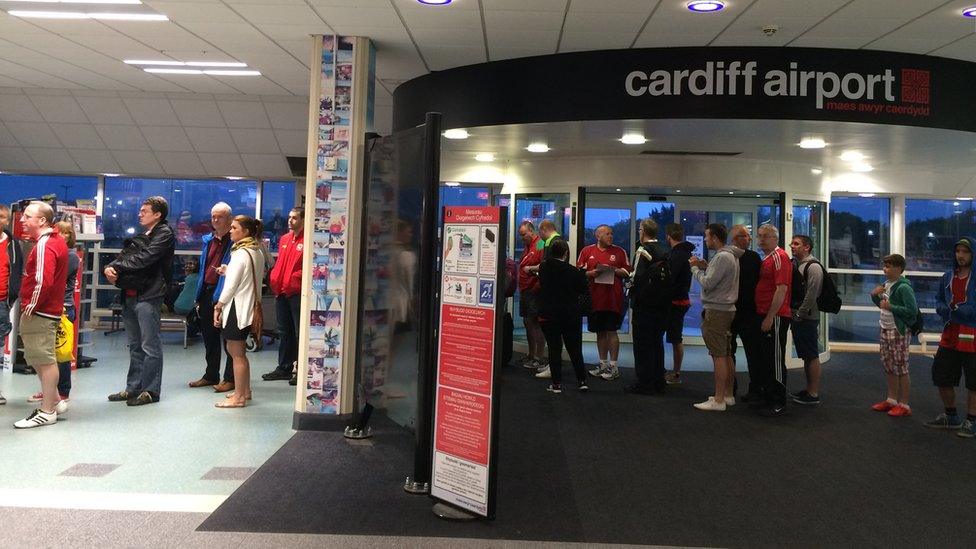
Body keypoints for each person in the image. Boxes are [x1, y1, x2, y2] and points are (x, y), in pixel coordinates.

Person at [104, 196, 175, 406]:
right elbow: (125, 255)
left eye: (144, 211)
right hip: (131, 294)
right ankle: (133, 388)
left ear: (158, 214)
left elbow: (147, 257)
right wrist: (109, 267)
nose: (139, 214)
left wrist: (118, 267)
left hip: (149, 295)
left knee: (149, 345)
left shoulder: (164, 234)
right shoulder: (142, 235)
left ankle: (151, 391)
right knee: (135, 345)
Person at [14, 202, 68, 428]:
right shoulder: (53, 241)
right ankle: (54, 400)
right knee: (37, 357)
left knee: (44, 361)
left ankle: (47, 411)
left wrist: (31, 306)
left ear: (42, 221)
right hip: (44, 310)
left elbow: (42, 281)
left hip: (41, 312)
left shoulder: (45, 245)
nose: (22, 220)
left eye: (27, 217)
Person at [925, 237, 976, 437]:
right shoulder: (947, 277)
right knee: (941, 375)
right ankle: (951, 415)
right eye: (958, 251)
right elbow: (939, 300)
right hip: (950, 333)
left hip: (971, 334)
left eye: (965, 251)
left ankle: (971, 421)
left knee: (973, 380)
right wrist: (943, 309)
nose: (961, 255)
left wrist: (958, 310)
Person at [214, 216, 265, 408]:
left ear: (245, 232)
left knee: (236, 352)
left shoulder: (240, 253)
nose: (230, 231)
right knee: (240, 352)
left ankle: (239, 397)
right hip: (250, 304)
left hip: (237, 307)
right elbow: (246, 276)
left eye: (234, 228)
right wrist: (229, 270)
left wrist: (218, 306)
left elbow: (230, 287)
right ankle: (245, 391)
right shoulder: (256, 251)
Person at [690, 223, 741, 411]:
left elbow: (708, 282)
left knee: (718, 354)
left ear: (714, 237)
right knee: (726, 353)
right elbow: (717, 277)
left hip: (717, 310)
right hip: (726, 309)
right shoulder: (731, 256)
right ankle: (727, 395)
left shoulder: (722, 257)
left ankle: (718, 400)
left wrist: (695, 270)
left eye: (706, 236)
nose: (704, 239)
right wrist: (705, 266)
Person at [28, 221, 78, 405]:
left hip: (65, 307)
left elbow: (54, 278)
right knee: (48, 353)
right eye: (59, 231)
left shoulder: (71, 255)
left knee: (61, 352)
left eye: (66, 232)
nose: (62, 235)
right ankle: (51, 391)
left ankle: (63, 391)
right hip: (52, 307)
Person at [188, 202, 235, 392]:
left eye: (220, 216)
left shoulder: (236, 241)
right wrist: (198, 296)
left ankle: (230, 378)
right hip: (207, 291)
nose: (215, 220)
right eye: (213, 216)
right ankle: (211, 374)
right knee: (209, 336)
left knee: (229, 339)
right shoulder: (208, 240)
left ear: (230, 219)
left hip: (226, 293)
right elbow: (203, 269)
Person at [577, 224, 631, 380]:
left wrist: (613, 270)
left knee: (612, 332)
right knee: (599, 332)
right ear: (598, 236)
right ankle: (603, 364)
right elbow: (580, 271)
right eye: (607, 234)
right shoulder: (587, 251)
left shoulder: (619, 251)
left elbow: (628, 272)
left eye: (612, 233)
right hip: (595, 299)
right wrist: (591, 273)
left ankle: (614, 366)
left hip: (613, 299)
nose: (611, 236)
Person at [537, 238, 589, 393]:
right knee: (574, 349)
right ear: (566, 253)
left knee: (554, 348)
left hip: (549, 314)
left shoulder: (544, 267)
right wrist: (583, 273)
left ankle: (556, 384)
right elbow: (582, 289)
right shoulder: (574, 272)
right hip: (570, 314)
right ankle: (582, 380)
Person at [626, 218, 670, 395]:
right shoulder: (665, 250)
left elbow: (635, 277)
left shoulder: (643, 250)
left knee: (642, 345)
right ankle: (659, 380)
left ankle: (644, 383)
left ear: (643, 231)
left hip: (644, 305)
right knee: (657, 343)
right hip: (661, 304)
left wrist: (629, 289)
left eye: (639, 229)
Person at [870, 254, 917, 417]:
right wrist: (874, 295)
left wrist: (892, 307)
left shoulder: (904, 287)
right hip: (885, 327)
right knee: (889, 365)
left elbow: (912, 312)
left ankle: (904, 403)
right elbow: (882, 306)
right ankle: (891, 399)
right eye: (884, 265)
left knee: (901, 367)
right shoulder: (887, 284)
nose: (885, 269)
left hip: (898, 330)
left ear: (899, 268)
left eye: (889, 266)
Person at [753, 224, 792, 417]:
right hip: (764, 314)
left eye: (765, 236)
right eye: (759, 236)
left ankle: (778, 399)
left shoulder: (780, 257)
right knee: (766, 358)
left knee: (775, 359)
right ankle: (768, 395)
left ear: (775, 238)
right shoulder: (767, 258)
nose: (761, 240)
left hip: (775, 316)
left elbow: (782, 288)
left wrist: (770, 317)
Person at [263, 207, 304, 382]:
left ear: (303, 220)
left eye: (294, 218)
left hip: (296, 292)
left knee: (299, 332)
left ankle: (300, 370)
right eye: (289, 217)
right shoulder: (285, 239)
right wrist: (274, 278)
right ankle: (285, 367)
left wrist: (295, 280)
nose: (290, 221)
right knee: (284, 331)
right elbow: (281, 262)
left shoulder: (309, 240)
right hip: (281, 291)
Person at [729, 224, 763, 403]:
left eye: (749, 236)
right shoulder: (727, 257)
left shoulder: (754, 257)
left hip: (749, 312)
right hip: (732, 311)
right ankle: (729, 388)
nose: (748, 239)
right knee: (729, 352)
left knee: (753, 353)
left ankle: (755, 389)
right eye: (744, 236)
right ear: (734, 238)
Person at [789, 234, 824, 405]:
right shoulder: (797, 264)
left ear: (807, 247)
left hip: (807, 318)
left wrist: (799, 313)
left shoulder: (813, 267)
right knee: (806, 355)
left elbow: (812, 294)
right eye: (792, 243)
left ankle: (813, 392)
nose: (792, 246)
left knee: (811, 354)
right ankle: (809, 389)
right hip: (799, 316)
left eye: (796, 244)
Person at [664, 223, 695, 385]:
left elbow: (670, 279)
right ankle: (675, 372)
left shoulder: (676, 255)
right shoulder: (686, 253)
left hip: (675, 301)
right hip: (681, 299)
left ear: (668, 236)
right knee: (675, 338)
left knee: (675, 339)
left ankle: (676, 374)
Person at [0, 204, 23, 407]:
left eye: (2, 217)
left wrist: (11, 297)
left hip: (1, 302)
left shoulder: (13, 245)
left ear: (7, 221)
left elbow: (17, 271)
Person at [517, 221, 547, 372]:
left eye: (523, 234)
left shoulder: (540, 244)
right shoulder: (527, 246)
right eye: (520, 235)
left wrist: (537, 285)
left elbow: (544, 265)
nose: (522, 238)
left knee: (535, 323)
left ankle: (539, 357)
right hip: (525, 290)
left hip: (534, 290)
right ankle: (531, 353)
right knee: (527, 322)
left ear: (531, 231)